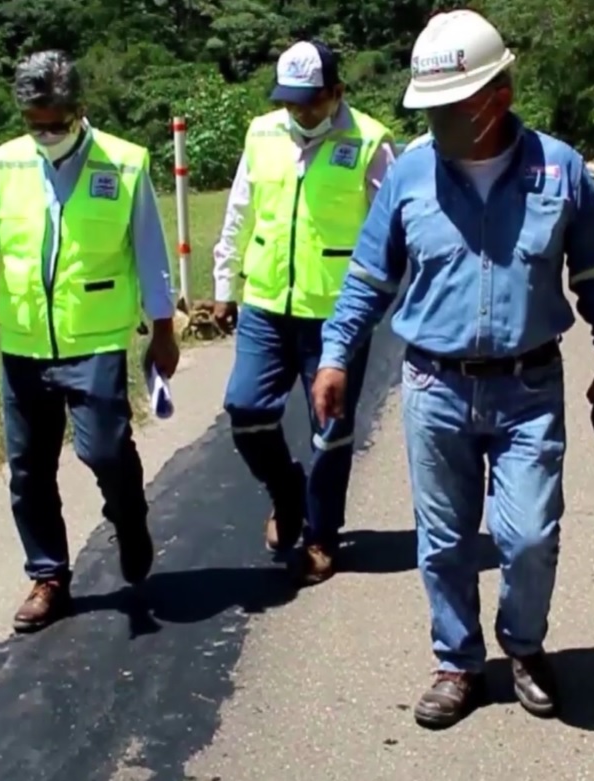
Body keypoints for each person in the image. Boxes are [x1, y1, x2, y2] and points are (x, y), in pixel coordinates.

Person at [313, 10, 594, 728]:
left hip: (528, 389)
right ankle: (456, 661)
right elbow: (368, 277)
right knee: (445, 540)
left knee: (525, 536)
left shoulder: (559, 169)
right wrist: (336, 353)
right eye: (426, 108)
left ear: (498, 95)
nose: (435, 122)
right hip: (434, 386)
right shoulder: (409, 175)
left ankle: (522, 645)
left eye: (448, 106)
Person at [0, 50, 180, 632]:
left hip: (95, 338)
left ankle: (128, 516)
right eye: (35, 122)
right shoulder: (6, 164)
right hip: (24, 343)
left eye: (56, 120)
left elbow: (150, 252)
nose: (46, 131)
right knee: (28, 469)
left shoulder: (124, 164)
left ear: (80, 109)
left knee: (103, 450)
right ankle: (48, 575)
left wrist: (164, 329)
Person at [211, 40, 396, 584]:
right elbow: (238, 212)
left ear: (337, 92)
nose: (299, 113)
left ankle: (321, 534)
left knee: (330, 430)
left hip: (337, 315)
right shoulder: (262, 134)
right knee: (245, 410)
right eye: (290, 102)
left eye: (310, 102)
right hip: (266, 305)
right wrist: (225, 284)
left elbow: (391, 230)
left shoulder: (369, 142)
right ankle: (287, 492)